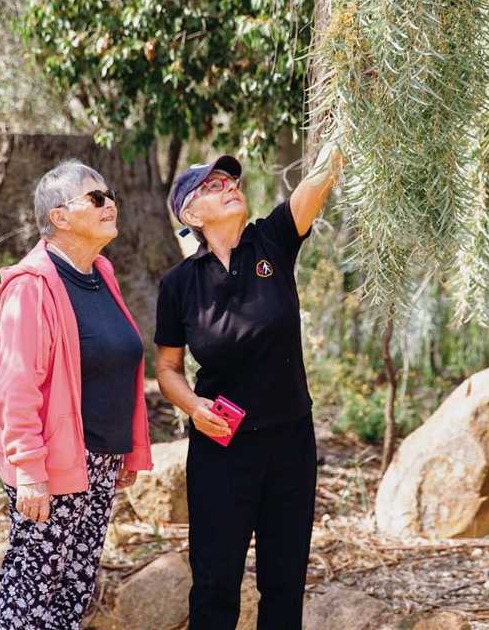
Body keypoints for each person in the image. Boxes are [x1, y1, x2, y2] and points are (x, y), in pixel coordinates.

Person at [155, 143, 343, 630]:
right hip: (221, 450)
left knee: (283, 583)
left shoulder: (272, 242)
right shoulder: (179, 284)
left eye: (232, 181)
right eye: (214, 186)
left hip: (290, 443)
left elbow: (318, 180)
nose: (230, 187)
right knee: (215, 585)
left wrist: (350, 110)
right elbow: (168, 369)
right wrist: (194, 407)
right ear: (191, 212)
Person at [0, 159, 153, 630]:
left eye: (110, 195)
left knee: (71, 594)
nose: (110, 205)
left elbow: (115, 364)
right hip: (51, 466)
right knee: (28, 596)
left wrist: (124, 451)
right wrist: (29, 472)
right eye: (96, 198)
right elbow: (16, 385)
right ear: (59, 216)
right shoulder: (32, 285)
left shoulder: (102, 274)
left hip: (98, 461)